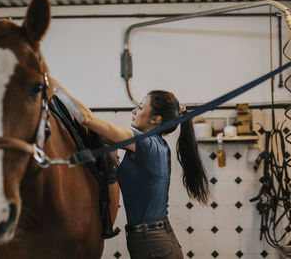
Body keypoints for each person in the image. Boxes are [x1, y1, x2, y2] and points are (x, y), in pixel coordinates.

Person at [52, 80, 210, 259]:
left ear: (155, 119)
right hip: (154, 240)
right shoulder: (157, 145)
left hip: (153, 244)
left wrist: (57, 88)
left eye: (141, 107)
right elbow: (101, 137)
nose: (134, 111)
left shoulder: (144, 142)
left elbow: (87, 119)